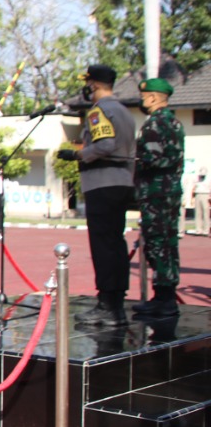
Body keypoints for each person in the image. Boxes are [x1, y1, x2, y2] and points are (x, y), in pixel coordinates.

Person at [57, 64, 136, 326]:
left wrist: (78, 154)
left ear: (93, 84)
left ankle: (107, 306)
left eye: (88, 83)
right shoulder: (124, 111)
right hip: (123, 181)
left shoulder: (99, 111)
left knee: (103, 246)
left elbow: (105, 144)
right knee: (115, 244)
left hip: (102, 182)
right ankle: (116, 304)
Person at [131, 78, 184, 318]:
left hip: (155, 193)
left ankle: (164, 300)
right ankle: (166, 295)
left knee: (157, 244)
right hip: (171, 191)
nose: (143, 101)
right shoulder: (175, 122)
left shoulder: (153, 124)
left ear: (153, 98)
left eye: (145, 97)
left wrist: (133, 160)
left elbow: (152, 159)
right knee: (169, 243)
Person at [192, 168, 210, 236]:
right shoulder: (197, 178)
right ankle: (198, 230)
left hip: (205, 194)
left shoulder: (209, 179)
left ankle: (206, 231)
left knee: (206, 213)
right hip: (197, 194)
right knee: (197, 213)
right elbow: (194, 187)